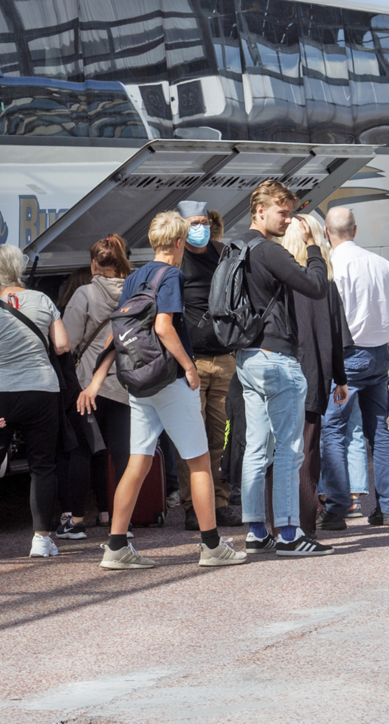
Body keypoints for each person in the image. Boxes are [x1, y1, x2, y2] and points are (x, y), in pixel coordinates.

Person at [82, 211, 246, 570]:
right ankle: (212, 546)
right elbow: (163, 326)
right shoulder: (172, 274)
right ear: (179, 242)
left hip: (141, 382)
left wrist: (97, 378)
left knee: (137, 464)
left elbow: (119, 330)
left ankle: (116, 546)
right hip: (170, 380)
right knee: (199, 461)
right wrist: (189, 367)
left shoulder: (135, 276)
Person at [235, 180, 334, 557]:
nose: (288, 220)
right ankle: (290, 534)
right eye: (283, 212)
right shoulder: (268, 251)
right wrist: (311, 245)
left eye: (291, 213)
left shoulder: (234, 248)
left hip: (248, 357)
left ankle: (257, 530)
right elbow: (315, 285)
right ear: (260, 210)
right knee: (290, 450)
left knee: (256, 449)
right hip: (277, 357)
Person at [0, 243, 70, 560]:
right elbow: (62, 345)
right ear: (19, 268)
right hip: (41, 391)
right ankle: (40, 538)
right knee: (42, 465)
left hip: (1, 394)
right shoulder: (42, 301)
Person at [319, 206, 389, 529]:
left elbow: (331, 323)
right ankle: (388, 507)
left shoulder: (332, 268)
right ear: (355, 231)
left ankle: (337, 508)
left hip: (347, 358)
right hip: (379, 356)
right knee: (379, 430)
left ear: (327, 233)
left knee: (333, 430)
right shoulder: (383, 264)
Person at [55, 236, 133, 540]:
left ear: (93, 265)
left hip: (90, 387)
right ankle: (121, 521)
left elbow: (67, 344)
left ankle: (74, 520)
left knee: (83, 453)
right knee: (124, 456)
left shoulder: (84, 294)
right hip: (125, 385)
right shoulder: (135, 293)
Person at [175, 201, 242, 528]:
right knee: (192, 437)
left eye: (203, 222)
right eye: (193, 223)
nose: (199, 229)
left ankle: (220, 501)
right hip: (192, 363)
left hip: (225, 358)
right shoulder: (176, 261)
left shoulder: (221, 254)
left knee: (221, 436)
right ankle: (192, 506)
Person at [280, 213, 347, 537]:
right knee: (307, 454)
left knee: (278, 451)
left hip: (281, 371)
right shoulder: (325, 283)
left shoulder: (279, 280)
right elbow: (336, 336)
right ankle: (305, 528)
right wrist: (341, 379)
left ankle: (278, 527)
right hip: (314, 375)